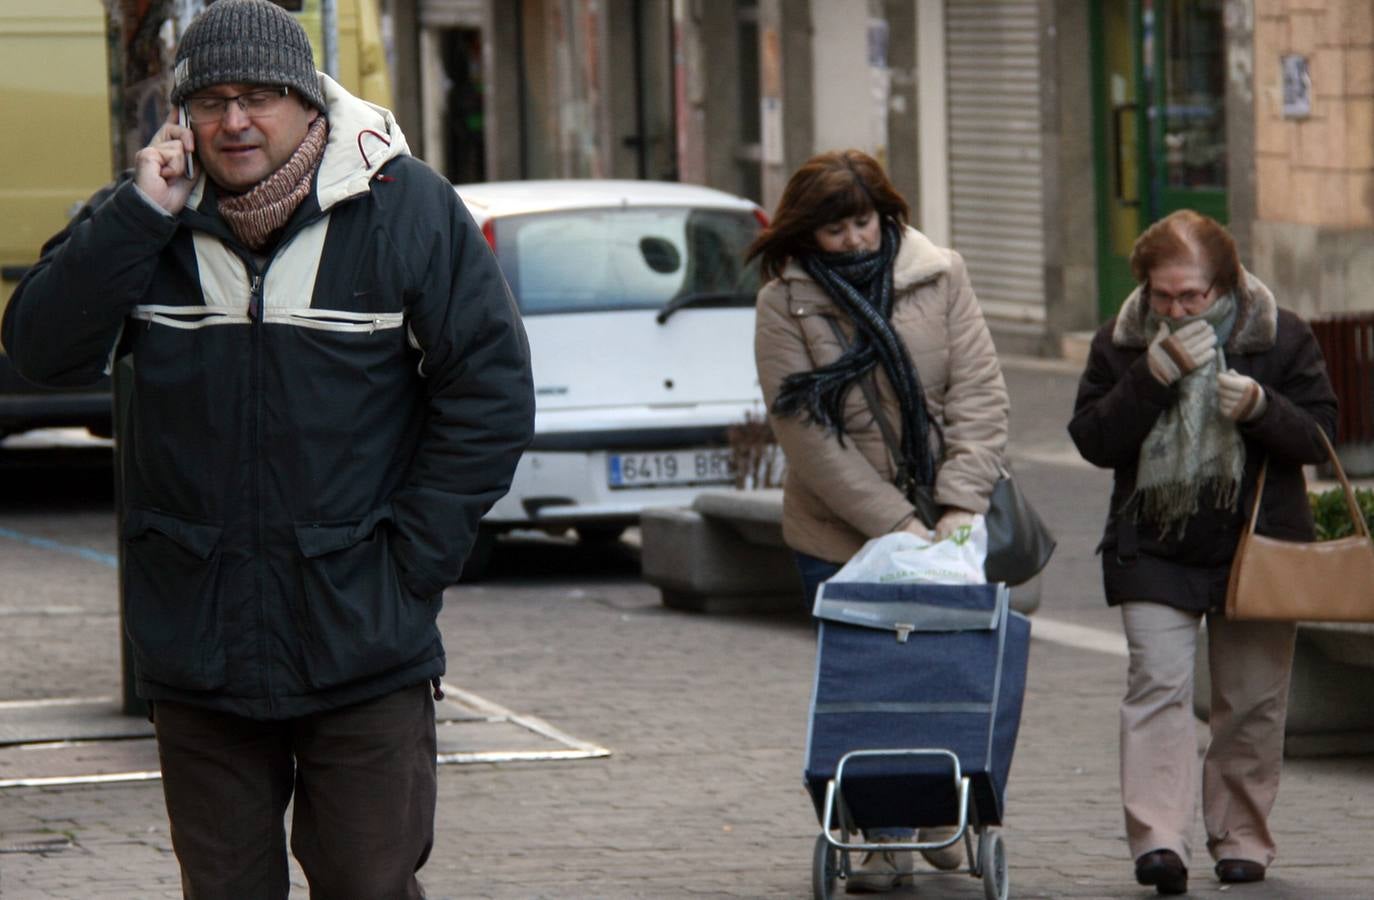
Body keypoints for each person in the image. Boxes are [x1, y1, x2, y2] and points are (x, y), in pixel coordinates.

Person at [1, 1, 534, 896]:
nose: (234, 121)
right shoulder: (148, 218)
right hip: (200, 646)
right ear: (183, 116)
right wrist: (139, 213)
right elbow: (39, 350)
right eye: (211, 101)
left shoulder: (406, 208)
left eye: (257, 97)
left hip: (363, 643)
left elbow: (491, 395)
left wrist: (412, 562)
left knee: (368, 885)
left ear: (308, 101)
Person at [750, 149, 1009, 893]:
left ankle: (935, 816)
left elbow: (980, 393)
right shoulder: (785, 303)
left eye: (863, 222)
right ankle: (881, 833)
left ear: (885, 213)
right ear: (806, 232)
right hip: (838, 536)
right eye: (835, 230)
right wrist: (894, 524)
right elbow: (806, 435)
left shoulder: (940, 274)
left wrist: (959, 504)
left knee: (947, 678)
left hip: (947, 522)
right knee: (871, 688)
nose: (855, 240)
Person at [1067, 210, 1337, 895]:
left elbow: (1321, 437)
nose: (1176, 309)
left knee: (1251, 702)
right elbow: (1094, 440)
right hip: (1152, 545)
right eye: (1163, 295)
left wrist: (1262, 408)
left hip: (1257, 546)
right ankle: (1159, 840)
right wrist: (1151, 376)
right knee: (1156, 687)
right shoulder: (1122, 341)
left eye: (1191, 296)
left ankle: (1240, 836)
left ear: (1227, 284)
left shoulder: (1278, 335)